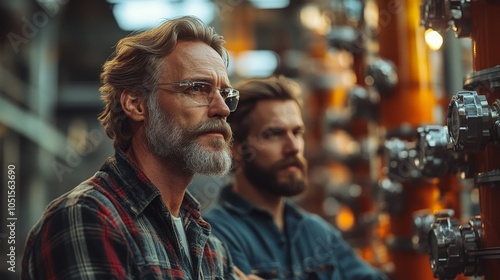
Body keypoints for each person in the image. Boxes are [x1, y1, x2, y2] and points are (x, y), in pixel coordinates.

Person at [22, 16, 243, 279]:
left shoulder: (211, 248)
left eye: (226, 95)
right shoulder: (87, 216)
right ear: (136, 104)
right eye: (197, 88)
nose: (222, 109)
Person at [204, 76, 388, 280]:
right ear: (236, 148)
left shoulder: (317, 232)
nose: (293, 147)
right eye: (273, 134)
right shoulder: (216, 236)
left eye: (297, 132)